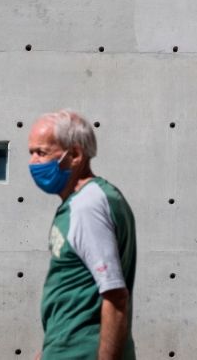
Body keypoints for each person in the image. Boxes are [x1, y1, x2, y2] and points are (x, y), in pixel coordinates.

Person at [27, 109, 137, 360]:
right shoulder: (84, 201)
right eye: (31, 152)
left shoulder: (88, 205)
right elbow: (76, 289)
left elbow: (115, 295)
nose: (33, 162)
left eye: (42, 153)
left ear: (75, 155)